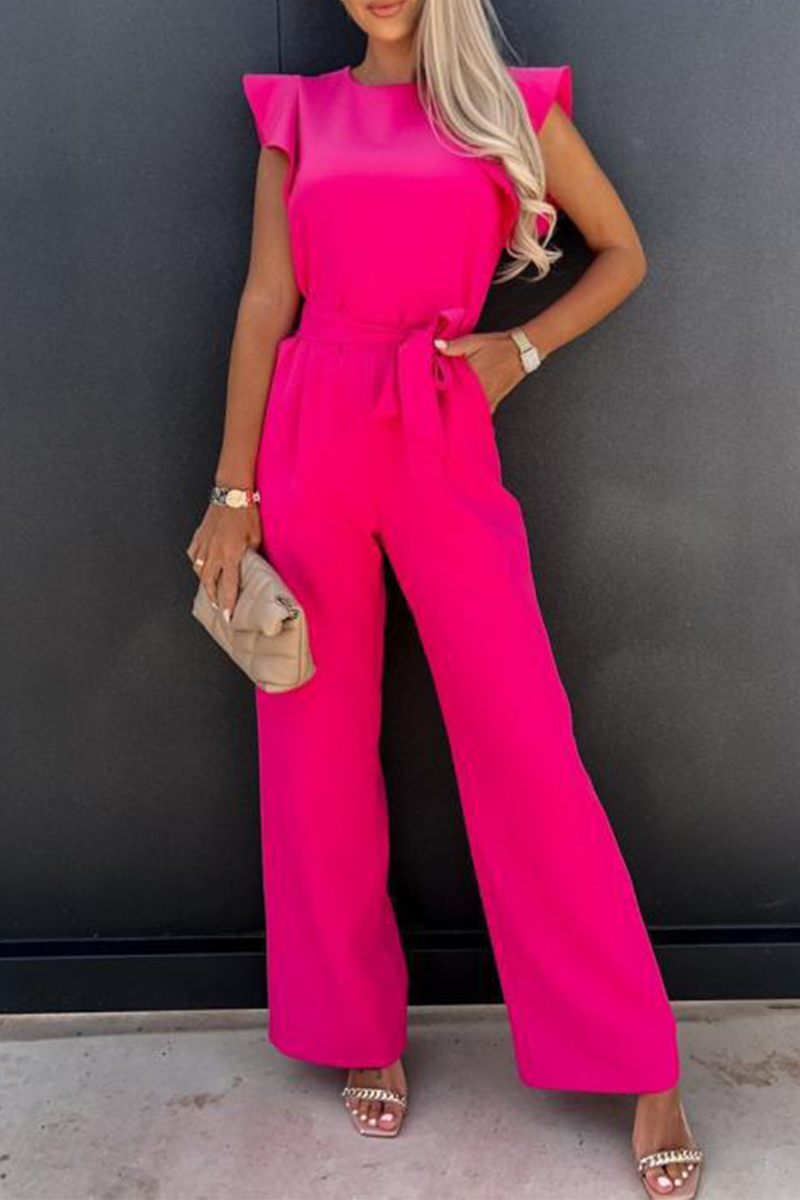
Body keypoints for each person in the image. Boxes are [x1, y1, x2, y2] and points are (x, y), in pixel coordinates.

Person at [185, 1, 705, 1195]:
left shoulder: (512, 108)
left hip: (439, 428)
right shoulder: (297, 113)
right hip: (308, 435)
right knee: (312, 746)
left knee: (525, 743)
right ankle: (356, 1028)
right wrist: (232, 490)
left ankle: (641, 1059)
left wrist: (518, 350)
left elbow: (622, 252)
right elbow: (264, 302)